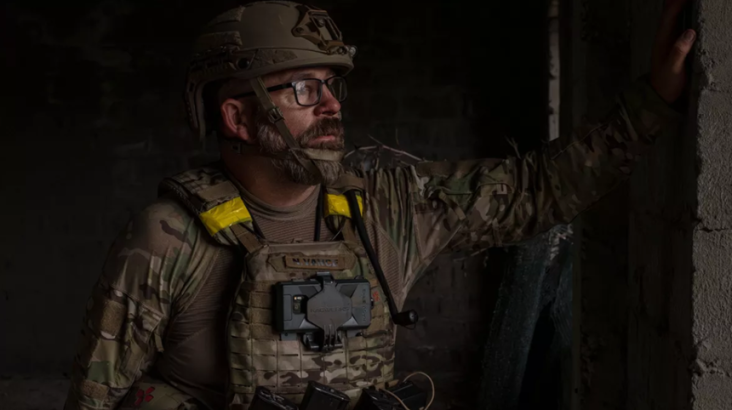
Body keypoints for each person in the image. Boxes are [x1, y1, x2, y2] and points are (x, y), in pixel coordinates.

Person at [63, 0, 696, 409]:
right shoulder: (168, 237)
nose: (331, 105)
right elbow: (94, 399)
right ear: (238, 116)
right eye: (303, 88)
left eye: (332, 86)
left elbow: (538, 188)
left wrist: (651, 104)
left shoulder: (388, 208)